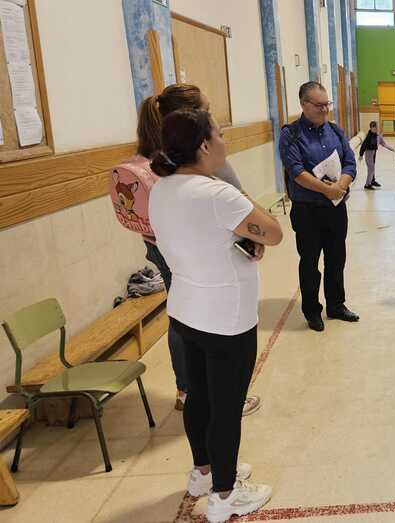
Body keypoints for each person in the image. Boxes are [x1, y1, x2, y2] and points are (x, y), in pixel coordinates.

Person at [148, 109, 282, 523]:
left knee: (200, 398)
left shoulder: (161, 189)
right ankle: (225, 495)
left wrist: (241, 239)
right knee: (226, 406)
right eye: (220, 135)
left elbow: (205, 239)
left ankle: (203, 472)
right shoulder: (218, 194)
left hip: (186, 311)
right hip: (226, 318)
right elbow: (274, 231)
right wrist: (238, 199)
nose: (225, 142)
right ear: (204, 145)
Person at [112, 83, 260, 415]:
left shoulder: (157, 155)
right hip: (198, 245)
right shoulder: (198, 153)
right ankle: (217, 394)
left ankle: (188, 389)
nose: (212, 117)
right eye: (206, 110)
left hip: (161, 244)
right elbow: (240, 202)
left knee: (182, 312)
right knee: (212, 317)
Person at [279, 81, 359, 332]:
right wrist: (327, 190)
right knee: (310, 262)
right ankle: (312, 310)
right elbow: (296, 171)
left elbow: (350, 162)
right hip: (307, 210)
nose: (325, 109)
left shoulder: (335, 131)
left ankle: (336, 304)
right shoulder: (290, 134)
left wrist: (341, 185)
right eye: (319, 105)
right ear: (304, 104)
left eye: (327, 104)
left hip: (336, 208)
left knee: (336, 258)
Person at [358, 121, 395, 190]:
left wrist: (392, 149)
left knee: (372, 168)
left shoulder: (378, 136)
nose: (375, 129)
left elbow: (384, 144)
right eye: (374, 128)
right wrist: (361, 155)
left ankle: (372, 181)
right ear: (371, 128)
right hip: (369, 154)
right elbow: (363, 146)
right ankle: (367, 184)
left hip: (374, 153)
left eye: (376, 127)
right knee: (371, 168)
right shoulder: (369, 137)